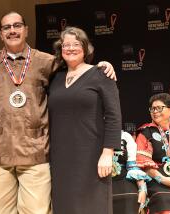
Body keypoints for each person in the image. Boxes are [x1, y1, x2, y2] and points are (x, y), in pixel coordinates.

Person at [0, 12, 116, 214]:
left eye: (17, 25)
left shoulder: (46, 62)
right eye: (6, 27)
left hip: (35, 155)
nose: (12, 30)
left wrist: (104, 65)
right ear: (0, 34)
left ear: (26, 30)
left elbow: (79, 69)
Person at [48, 26, 122, 214]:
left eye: (76, 44)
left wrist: (108, 153)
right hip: (60, 156)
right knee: (64, 206)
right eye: (66, 45)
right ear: (60, 49)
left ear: (86, 47)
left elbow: (114, 116)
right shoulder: (55, 77)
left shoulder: (101, 73)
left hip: (92, 155)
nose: (71, 48)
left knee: (93, 206)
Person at [136, 93, 170, 214]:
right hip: (157, 181)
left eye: (159, 108)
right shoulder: (145, 132)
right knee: (163, 200)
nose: (155, 111)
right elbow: (143, 162)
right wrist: (163, 179)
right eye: (152, 109)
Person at [112, 131, 151, 214]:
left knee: (132, 197)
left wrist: (142, 189)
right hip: (98, 180)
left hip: (123, 177)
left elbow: (132, 165)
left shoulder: (125, 136)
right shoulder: (91, 135)